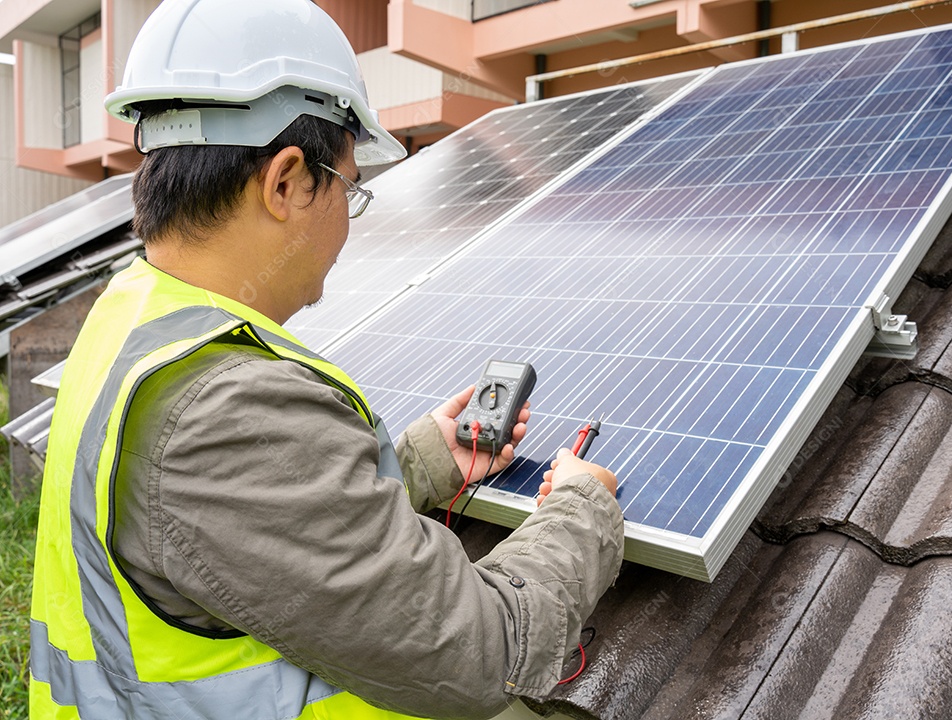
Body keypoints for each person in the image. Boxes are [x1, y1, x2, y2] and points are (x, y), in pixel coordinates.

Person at [27, 1, 623, 718]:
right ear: (287, 182)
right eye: (349, 188)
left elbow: (247, 538)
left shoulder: (135, 315)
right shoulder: (226, 406)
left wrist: (422, 465)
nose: (348, 220)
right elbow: (480, 652)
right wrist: (580, 510)